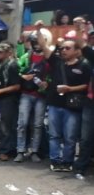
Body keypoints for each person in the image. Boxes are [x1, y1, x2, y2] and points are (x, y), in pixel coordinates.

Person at [40, 23, 91, 172]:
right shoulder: (57, 62)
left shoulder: (84, 65)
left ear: (76, 51)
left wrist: (70, 89)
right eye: (62, 48)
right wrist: (39, 30)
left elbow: (86, 86)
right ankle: (55, 160)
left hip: (72, 106)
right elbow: (44, 47)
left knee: (70, 137)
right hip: (55, 104)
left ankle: (67, 161)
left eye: (67, 48)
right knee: (54, 135)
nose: (63, 50)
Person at [14, 32, 50, 163]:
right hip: (26, 94)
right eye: (34, 42)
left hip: (41, 95)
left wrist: (48, 82)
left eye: (39, 42)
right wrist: (23, 76)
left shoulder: (48, 58)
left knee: (38, 125)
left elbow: (53, 72)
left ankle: (34, 151)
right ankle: (20, 151)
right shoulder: (26, 56)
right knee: (22, 123)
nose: (37, 45)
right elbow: (16, 68)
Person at [73, 18, 94, 178]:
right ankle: (80, 166)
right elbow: (81, 45)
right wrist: (80, 29)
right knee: (86, 137)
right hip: (91, 103)